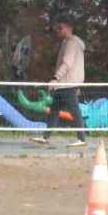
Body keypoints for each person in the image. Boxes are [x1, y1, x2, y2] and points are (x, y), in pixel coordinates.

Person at [30, 19, 87, 147]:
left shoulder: (72, 43)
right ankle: (46, 137)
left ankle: (82, 139)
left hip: (69, 84)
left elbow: (67, 63)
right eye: (57, 28)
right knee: (54, 110)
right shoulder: (65, 43)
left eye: (60, 28)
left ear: (69, 27)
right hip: (63, 84)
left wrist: (55, 78)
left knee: (74, 110)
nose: (58, 31)